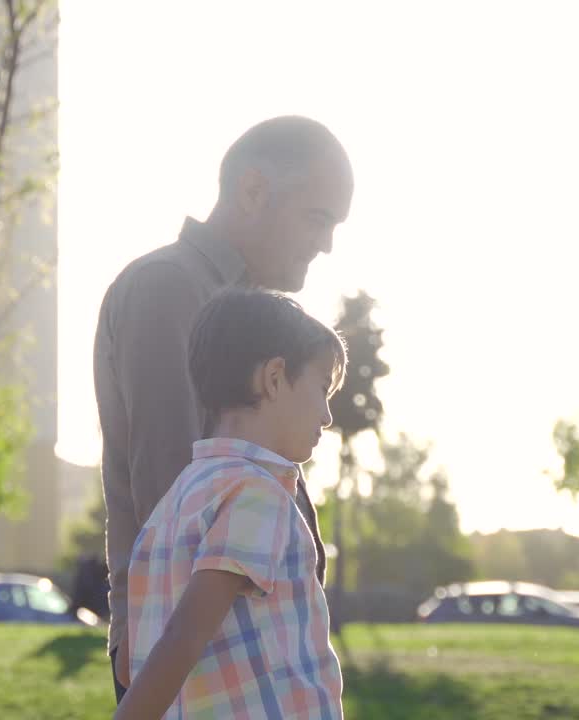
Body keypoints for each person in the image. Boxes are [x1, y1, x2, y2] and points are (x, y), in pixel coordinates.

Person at [93, 116, 354, 702]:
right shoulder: (170, 289)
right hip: (205, 664)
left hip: (232, 655)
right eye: (318, 217)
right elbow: (174, 481)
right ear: (254, 190)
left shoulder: (237, 311)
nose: (327, 243)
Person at [113, 289, 347, 719]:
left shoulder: (176, 501)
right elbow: (184, 636)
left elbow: (133, 659)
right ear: (274, 378)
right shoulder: (257, 493)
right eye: (322, 388)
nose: (327, 415)